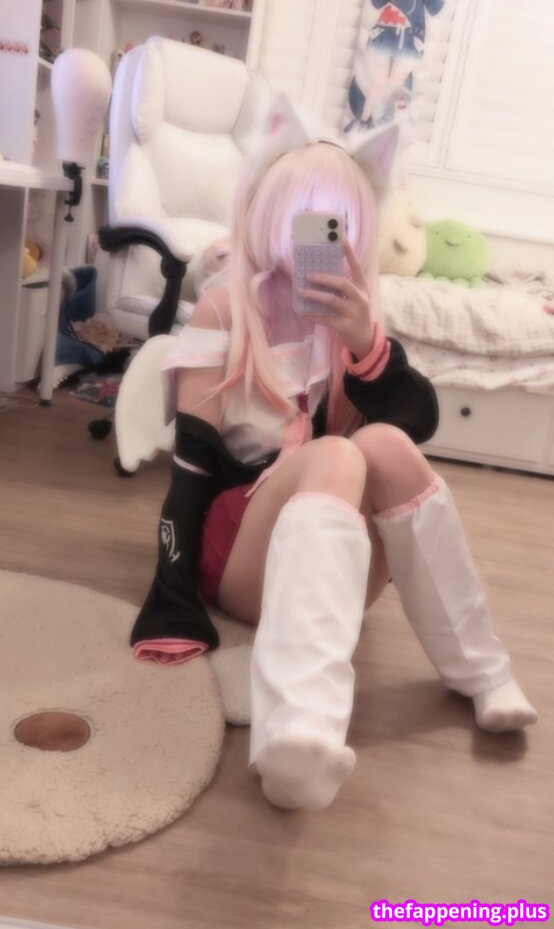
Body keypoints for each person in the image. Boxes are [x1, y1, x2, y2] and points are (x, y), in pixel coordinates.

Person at [131, 95, 538, 811]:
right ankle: (299, 731)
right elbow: (191, 466)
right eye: (305, 216)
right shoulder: (226, 307)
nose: (320, 237)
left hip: (329, 551)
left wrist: (364, 344)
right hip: (241, 549)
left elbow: (419, 420)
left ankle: (481, 670)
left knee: (380, 442)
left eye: (338, 223)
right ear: (266, 212)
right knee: (339, 457)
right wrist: (171, 600)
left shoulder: (353, 317)